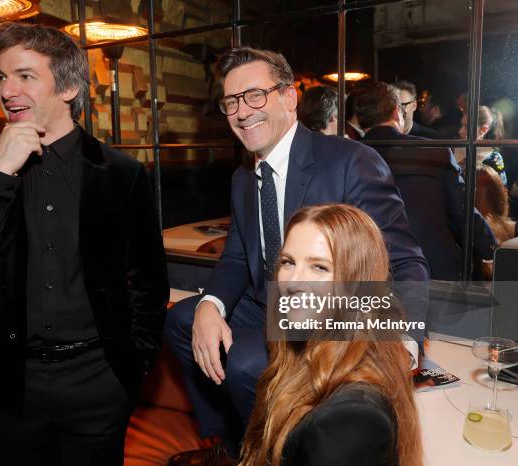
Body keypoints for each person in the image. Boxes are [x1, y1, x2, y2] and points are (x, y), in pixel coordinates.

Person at [165, 46, 428, 466]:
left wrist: (406, 340)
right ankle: (226, 444)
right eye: (231, 101)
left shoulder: (351, 162)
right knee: (182, 318)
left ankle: (274, 453)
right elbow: (236, 258)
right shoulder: (241, 178)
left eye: (254, 95)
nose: (241, 111)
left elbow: (405, 260)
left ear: (289, 98)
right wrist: (211, 305)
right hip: (268, 303)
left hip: (330, 313)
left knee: (246, 362)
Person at [0, 22, 168, 466]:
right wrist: (0, 173)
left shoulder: (122, 174)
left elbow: (147, 282)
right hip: (9, 381)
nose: (7, 90)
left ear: (68, 88)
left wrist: (131, 369)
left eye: (24, 75)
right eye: (1, 77)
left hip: (98, 382)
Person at [240, 203, 423, 466]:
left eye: (319, 267)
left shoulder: (353, 419)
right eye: (288, 262)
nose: (293, 282)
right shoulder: (305, 350)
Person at [356, 82, 496, 280]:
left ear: (362, 120)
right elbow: (463, 212)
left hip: (369, 273)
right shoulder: (435, 152)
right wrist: (490, 248)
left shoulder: (348, 157)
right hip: (436, 272)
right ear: (397, 112)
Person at [458, 105, 508, 185]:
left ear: (483, 130)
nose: (460, 131)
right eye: (461, 125)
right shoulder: (454, 149)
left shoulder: (493, 158)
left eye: (467, 127)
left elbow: (500, 191)